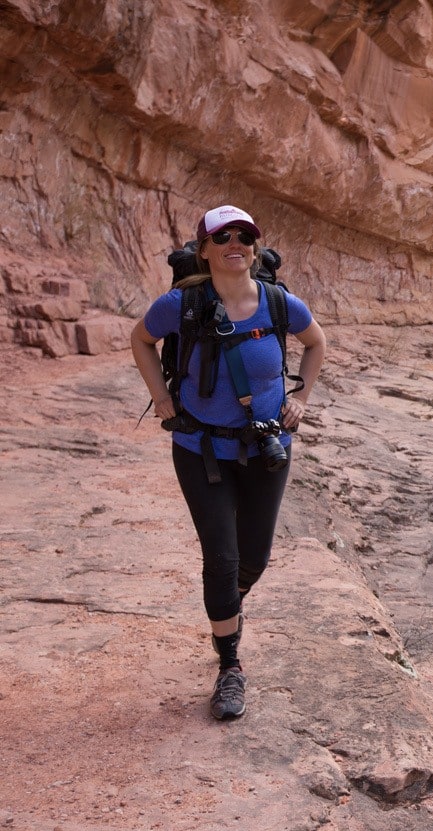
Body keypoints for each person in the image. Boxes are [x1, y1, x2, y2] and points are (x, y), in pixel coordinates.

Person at [131, 204, 326, 720]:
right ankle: (230, 667)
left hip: (267, 449)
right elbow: (141, 339)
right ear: (205, 250)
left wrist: (301, 397)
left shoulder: (282, 305)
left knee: (252, 560)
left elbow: (316, 344)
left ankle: (225, 608)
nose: (234, 242)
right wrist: (162, 396)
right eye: (223, 237)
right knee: (220, 558)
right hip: (201, 450)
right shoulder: (182, 304)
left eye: (244, 235)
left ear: (254, 247)